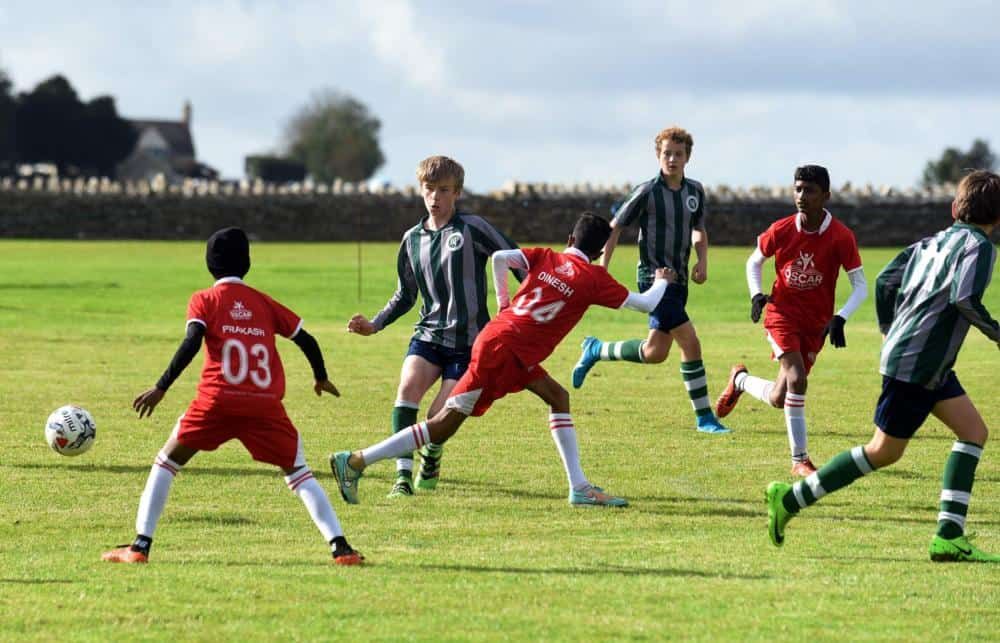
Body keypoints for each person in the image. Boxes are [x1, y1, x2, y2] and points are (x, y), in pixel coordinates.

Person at [330, 212, 671, 507]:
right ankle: (356, 461)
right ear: (598, 252)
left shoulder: (545, 256)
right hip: (505, 353)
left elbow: (499, 259)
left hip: (503, 342)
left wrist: (505, 303)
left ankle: (579, 487)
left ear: (569, 238)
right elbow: (647, 304)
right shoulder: (594, 278)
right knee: (442, 426)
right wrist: (661, 282)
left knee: (558, 397)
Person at [766, 169, 1000, 562]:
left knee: (973, 432)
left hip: (924, 362)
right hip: (919, 365)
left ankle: (948, 535)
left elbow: (886, 280)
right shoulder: (980, 247)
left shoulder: (932, 242)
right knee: (883, 451)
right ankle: (790, 498)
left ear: (954, 207)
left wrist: (892, 330)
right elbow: (964, 298)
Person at [102, 227, 362, 565]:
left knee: (166, 463)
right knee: (299, 474)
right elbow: (306, 339)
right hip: (264, 404)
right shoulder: (263, 302)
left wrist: (161, 386)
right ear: (248, 264)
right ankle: (341, 549)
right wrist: (321, 377)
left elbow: (192, 340)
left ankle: (140, 547)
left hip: (217, 400)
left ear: (209, 264)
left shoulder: (204, 300)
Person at [346, 156, 523, 498]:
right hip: (428, 335)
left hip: (470, 344)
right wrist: (374, 324)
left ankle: (433, 452)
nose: (435, 197)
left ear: (457, 193)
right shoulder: (412, 239)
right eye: (429, 189)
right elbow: (405, 294)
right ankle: (402, 476)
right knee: (407, 389)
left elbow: (517, 259)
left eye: (443, 190)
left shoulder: (473, 228)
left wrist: (525, 305)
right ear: (421, 191)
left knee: (436, 416)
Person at [571, 126, 730, 434]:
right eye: (666, 153)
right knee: (691, 342)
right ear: (658, 155)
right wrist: (603, 267)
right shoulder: (647, 191)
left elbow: (699, 229)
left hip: (680, 279)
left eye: (678, 154)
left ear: (688, 158)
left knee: (655, 353)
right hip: (654, 280)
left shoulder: (695, 192)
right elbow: (614, 227)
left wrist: (702, 260)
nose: (672, 159)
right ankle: (705, 418)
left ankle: (596, 350)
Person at [714, 165, 868, 476]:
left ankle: (740, 381)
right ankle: (800, 460)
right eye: (797, 189)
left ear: (825, 195)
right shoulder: (782, 229)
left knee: (779, 397)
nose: (801, 196)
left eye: (809, 190)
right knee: (797, 378)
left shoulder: (841, 236)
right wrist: (757, 294)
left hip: (816, 324)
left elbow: (861, 285)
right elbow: (754, 261)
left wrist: (840, 317)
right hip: (781, 314)